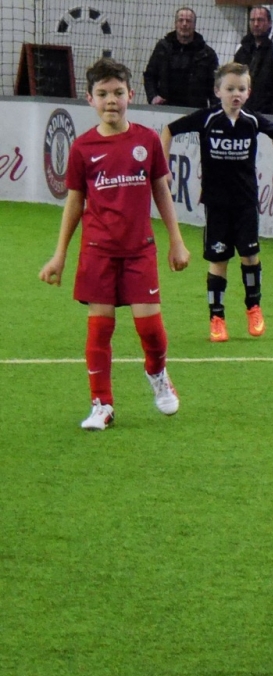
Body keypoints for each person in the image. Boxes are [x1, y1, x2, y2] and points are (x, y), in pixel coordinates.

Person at [38, 57, 190, 430]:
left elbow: (161, 190)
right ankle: (101, 405)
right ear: (90, 98)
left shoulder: (147, 140)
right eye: (103, 93)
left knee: (150, 329)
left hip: (140, 249)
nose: (111, 100)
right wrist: (59, 255)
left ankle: (157, 372)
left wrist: (176, 241)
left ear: (130, 95)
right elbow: (74, 203)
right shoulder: (82, 148)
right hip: (98, 251)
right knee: (99, 329)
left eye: (118, 93)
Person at [161, 62, 273, 343]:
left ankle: (253, 307)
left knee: (250, 256)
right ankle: (217, 318)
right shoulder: (208, 118)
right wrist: (164, 168)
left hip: (246, 202)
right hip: (216, 204)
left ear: (248, 92)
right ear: (217, 90)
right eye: (230, 89)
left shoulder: (252, 120)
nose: (236, 94)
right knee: (218, 260)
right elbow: (168, 131)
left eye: (241, 89)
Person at [143, 7, 219, 108]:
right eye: (181, 20)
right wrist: (153, 97)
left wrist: (215, 110)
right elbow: (149, 76)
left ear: (194, 24)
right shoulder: (162, 48)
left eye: (188, 21)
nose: (184, 24)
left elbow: (215, 85)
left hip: (195, 111)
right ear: (175, 24)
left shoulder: (207, 54)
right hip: (164, 109)